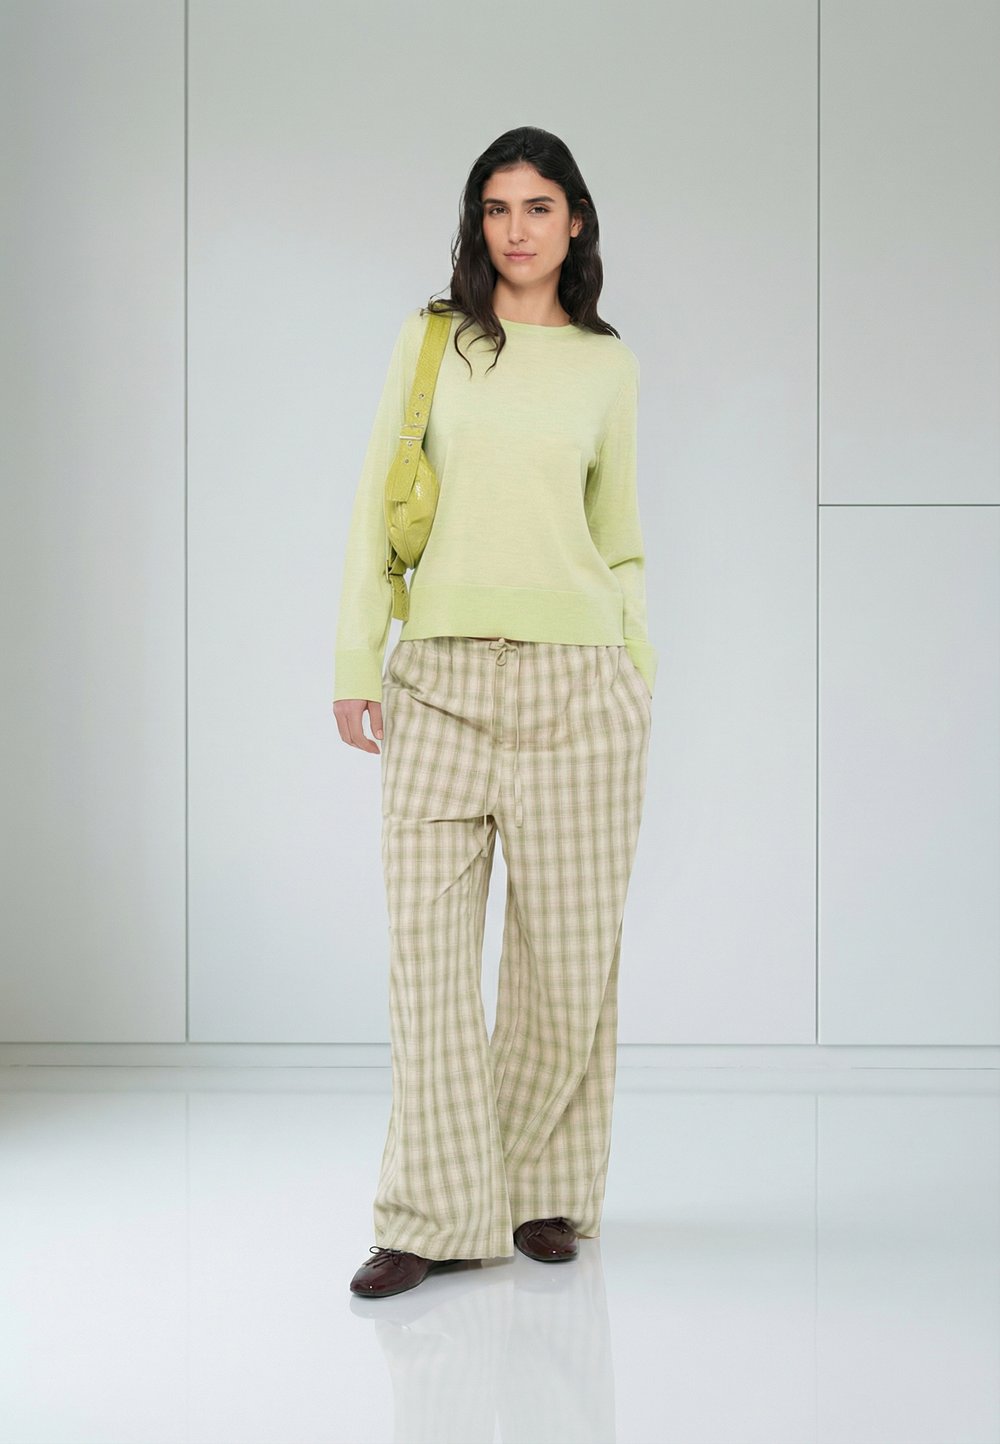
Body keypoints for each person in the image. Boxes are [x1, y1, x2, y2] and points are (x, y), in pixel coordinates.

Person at [332, 125, 655, 1298]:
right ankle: (429, 1213)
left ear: (575, 221)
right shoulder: (433, 342)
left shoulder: (607, 366)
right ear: (478, 223)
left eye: (538, 206)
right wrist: (356, 657)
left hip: (581, 685)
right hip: (440, 684)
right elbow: (375, 507)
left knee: (565, 969)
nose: (516, 229)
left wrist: (637, 665)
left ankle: (539, 1190)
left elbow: (618, 536)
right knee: (426, 966)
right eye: (496, 207)